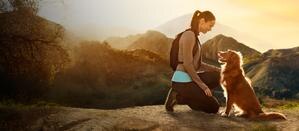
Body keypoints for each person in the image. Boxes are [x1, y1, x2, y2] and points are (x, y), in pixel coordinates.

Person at [165, 10, 221, 113]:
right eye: (210, 25)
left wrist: (217, 69)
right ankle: (178, 96)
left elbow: (197, 64)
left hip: (190, 79)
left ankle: (192, 96)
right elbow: (187, 64)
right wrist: (203, 86)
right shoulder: (189, 35)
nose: (210, 29)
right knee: (214, 107)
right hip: (182, 81)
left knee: (219, 75)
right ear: (202, 21)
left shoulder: (194, 36)